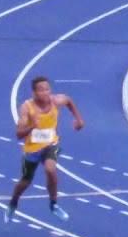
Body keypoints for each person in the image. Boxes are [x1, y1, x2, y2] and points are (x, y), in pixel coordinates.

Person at [5, 76, 84, 223]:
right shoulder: (26, 108)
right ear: (34, 92)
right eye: (41, 90)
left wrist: (79, 120)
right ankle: (13, 202)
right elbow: (18, 134)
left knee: (50, 169)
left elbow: (68, 101)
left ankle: (54, 204)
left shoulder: (55, 101)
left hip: (51, 144)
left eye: (47, 89)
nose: (46, 93)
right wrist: (32, 126)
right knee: (26, 181)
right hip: (32, 149)